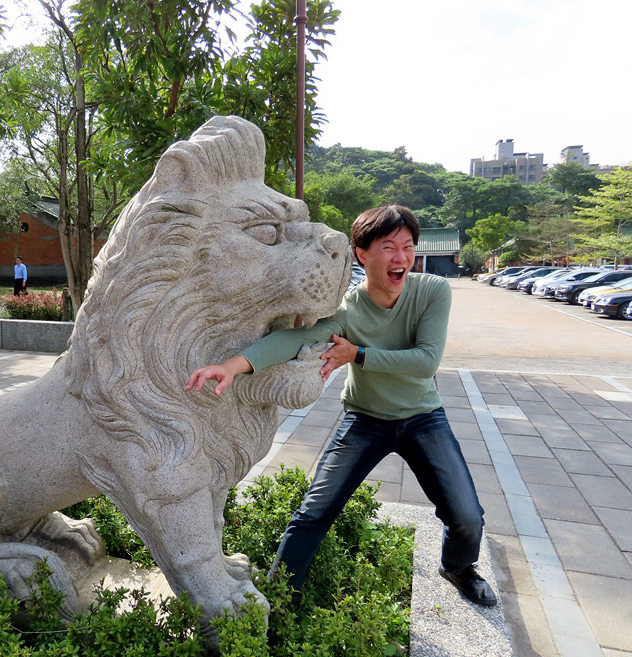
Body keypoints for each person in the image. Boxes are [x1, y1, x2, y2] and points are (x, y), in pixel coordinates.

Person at [185, 205, 496, 607]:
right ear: (362, 254)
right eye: (389, 247)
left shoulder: (432, 291)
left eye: (408, 246)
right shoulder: (347, 309)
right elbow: (295, 340)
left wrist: (358, 354)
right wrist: (233, 366)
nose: (402, 257)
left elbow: (425, 362)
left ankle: (457, 567)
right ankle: (280, 598)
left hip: (423, 419)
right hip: (365, 420)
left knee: (468, 518)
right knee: (313, 514)